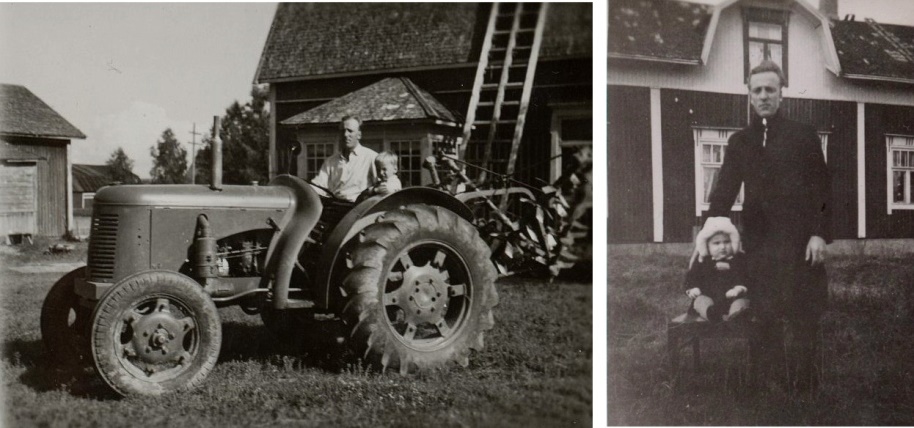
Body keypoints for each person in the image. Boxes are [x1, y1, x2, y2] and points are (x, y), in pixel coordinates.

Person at [694, 60, 830, 391]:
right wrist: (706, 233)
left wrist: (819, 233)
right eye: (757, 90)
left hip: (800, 242)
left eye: (770, 89)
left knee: (803, 314)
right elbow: (724, 189)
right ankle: (771, 382)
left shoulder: (803, 135)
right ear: (750, 96)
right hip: (759, 243)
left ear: (782, 94)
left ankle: (806, 385)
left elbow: (823, 188)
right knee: (764, 313)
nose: (764, 96)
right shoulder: (741, 141)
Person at [685, 223, 749, 322]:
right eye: (716, 243)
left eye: (727, 242)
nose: (723, 247)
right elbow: (691, 277)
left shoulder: (739, 260)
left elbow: (745, 276)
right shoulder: (703, 261)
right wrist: (692, 288)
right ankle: (711, 313)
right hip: (709, 297)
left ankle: (737, 315)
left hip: (733, 298)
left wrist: (738, 288)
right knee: (700, 301)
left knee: (742, 302)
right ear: (707, 246)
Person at [310, 115, 378, 202]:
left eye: (350, 131)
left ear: (359, 135)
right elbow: (318, 186)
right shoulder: (330, 161)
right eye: (343, 131)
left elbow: (384, 185)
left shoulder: (371, 157)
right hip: (334, 207)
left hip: (358, 209)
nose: (345, 135)